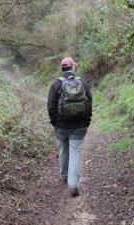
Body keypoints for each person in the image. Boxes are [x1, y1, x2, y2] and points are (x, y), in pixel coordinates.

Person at [47, 56, 93, 197]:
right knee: (75, 153)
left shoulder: (56, 84)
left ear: (62, 69)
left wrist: (55, 123)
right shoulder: (83, 83)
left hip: (61, 126)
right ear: (73, 67)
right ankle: (73, 184)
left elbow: (50, 106)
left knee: (63, 150)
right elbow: (89, 105)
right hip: (79, 126)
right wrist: (86, 122)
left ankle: (64, 176)